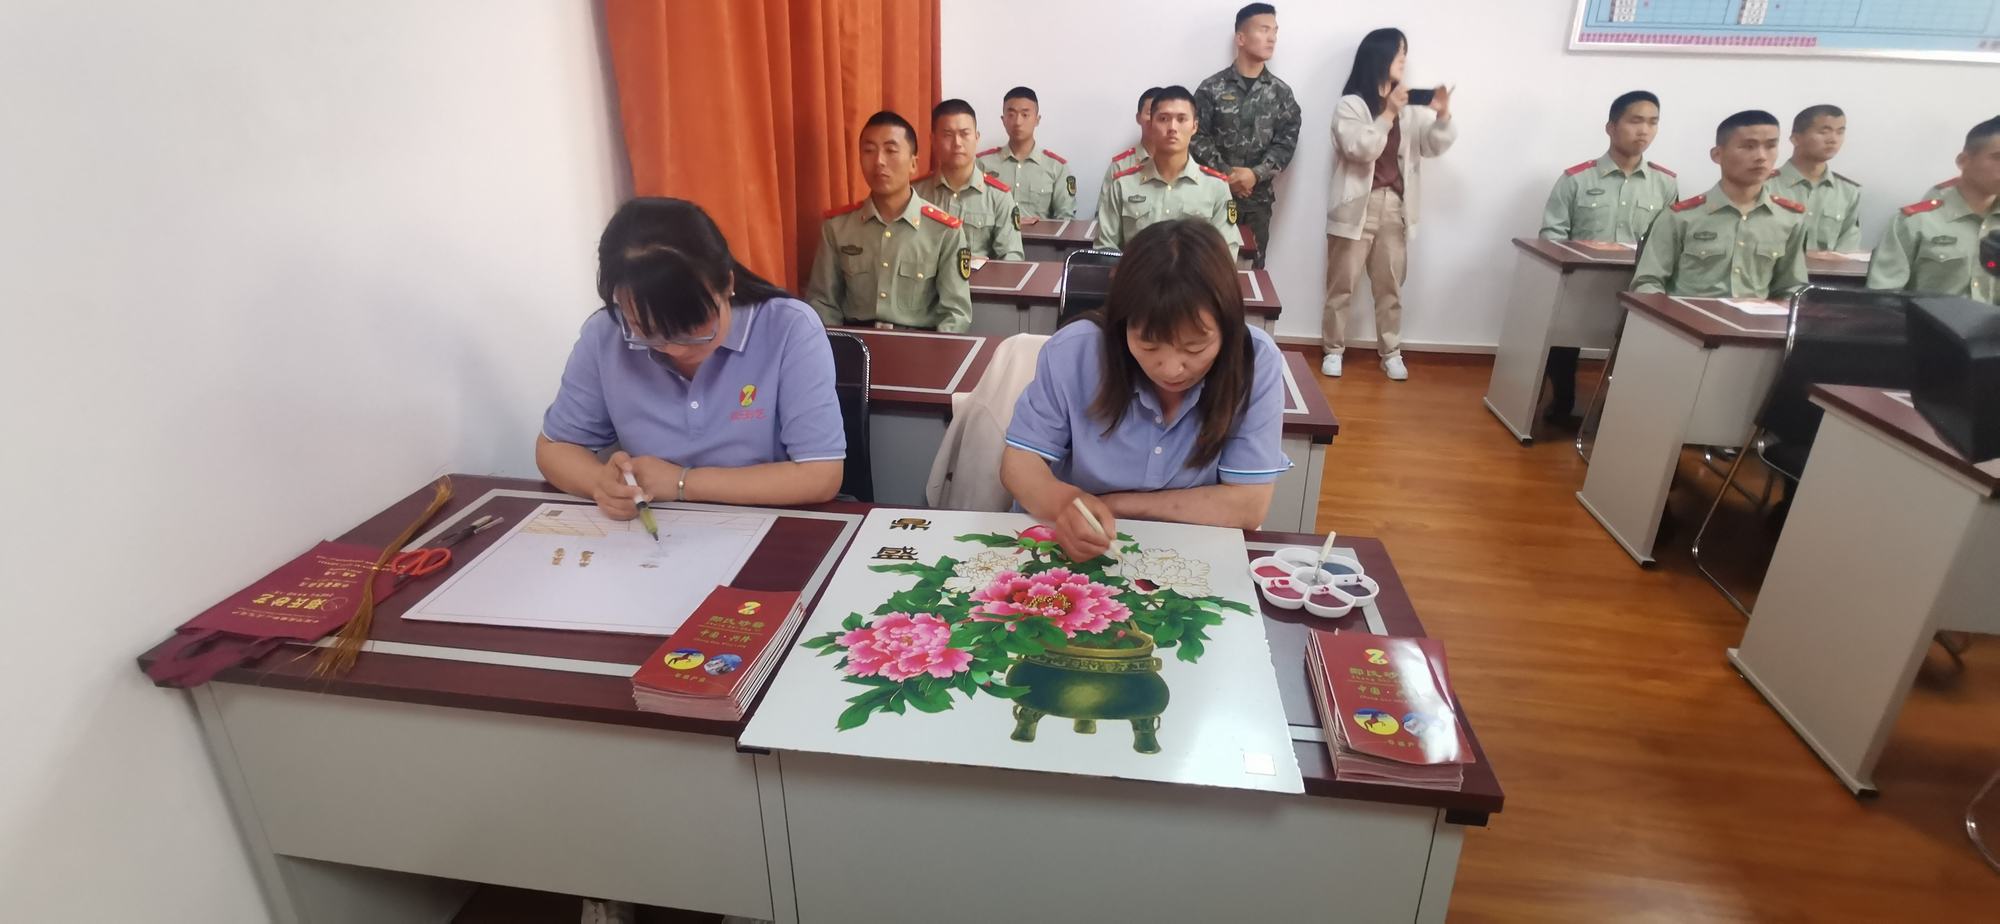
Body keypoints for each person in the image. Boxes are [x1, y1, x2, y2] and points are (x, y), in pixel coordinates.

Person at [1002, 219, 1290, 560]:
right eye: (1149, 346)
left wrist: (1113, 505)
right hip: (1075, 544)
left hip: (1189, 550)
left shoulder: (1255, 361)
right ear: (1122, 321)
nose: (1171, 369)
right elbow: (1019, 463)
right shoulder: (1075, 351)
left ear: (1227, 325)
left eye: (1194, 348)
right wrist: (1064, 504)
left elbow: (1247, 505)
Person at [537, 198, 847, 515]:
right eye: (648, 331)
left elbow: (820, 475)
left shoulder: (788, 328)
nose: (676, 349)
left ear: (726, 284)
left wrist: (682, 483)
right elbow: (555, 447)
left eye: (693, 328)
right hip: (657, 529)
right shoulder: (607, 334)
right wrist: (600, 484)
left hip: (767, 523)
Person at [1321, 27, 1455, 381]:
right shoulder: (1351, 105)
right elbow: (1360, 148)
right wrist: (1387, 114)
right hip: (1355, 207)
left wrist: (1442, 115)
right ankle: (1333, 349)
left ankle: (1391, 352)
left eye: (1404, 53)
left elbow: (1432, 146)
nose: (1404, 60)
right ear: (1379, 56)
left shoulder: (1407, 108)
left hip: (1395, 207)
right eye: (1399, 53)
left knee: (1390, 286)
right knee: (1341, 285)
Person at [1537, 90, 1677, 423]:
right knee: (1562, 335)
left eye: (1652, 123)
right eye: (1635, 121)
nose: (1644, 130)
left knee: (1641, 342)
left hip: (1636, 284)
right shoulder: (1576, 179)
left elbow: (1669, 241)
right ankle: (1562, 401)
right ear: (1611, 128)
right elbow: (1552, 235)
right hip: (1580, 284)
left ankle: (1616, 412)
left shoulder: (1665, 183)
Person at [807, 111, 974, 332]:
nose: (879, 161)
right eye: (869, 151)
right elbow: (823, 303)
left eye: (891, 150)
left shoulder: (944, 231)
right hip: (856, 341)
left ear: (913, 163)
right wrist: (834, 346)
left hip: (918, 344)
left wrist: (935, 350)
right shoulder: (837, 227)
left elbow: (955, 315)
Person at [1631, 110, 1809, 299]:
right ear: (1717, 154)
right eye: (1748, 146)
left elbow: (1791, 288)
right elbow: (1647, 283)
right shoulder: (1681, 217)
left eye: (1771, 146)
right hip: (1688, 316)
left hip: (1756, 317)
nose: (1761, 156)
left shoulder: (1789, 219)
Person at [1192, 3, 1301, 270]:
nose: (1272, 37)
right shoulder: (1211, 88)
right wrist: (1227, 174)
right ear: (1241, 38)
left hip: (1257, 205)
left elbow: (1286, 144)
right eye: (1264, 30)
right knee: (1206, 272)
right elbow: (1196, 137)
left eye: (1275, 31)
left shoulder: (1281, 94)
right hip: (1213, 200)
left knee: (1251, 275)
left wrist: (1255, 174)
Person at [1866, 116, 2000, 306]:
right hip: (1930, 324)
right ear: (1964, 161)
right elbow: (1884, 296)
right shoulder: (1915, 221)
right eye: (1997, 157)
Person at [1095, 86, 1243, 252]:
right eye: (1163, 119)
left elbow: (1226, 252)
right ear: (1151, 124)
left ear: (1194, 126)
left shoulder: (1215, 187)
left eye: (1181, 119)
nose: (1172, 127)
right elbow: (1105, 249)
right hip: (1137, 269)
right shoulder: (1123, 184)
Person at [917, 99, 1025, 261]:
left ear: (976, 137)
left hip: (981, 277)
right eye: (948, 135)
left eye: (964, 134)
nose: (957, 143)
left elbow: (1012, 256)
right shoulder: (916, 193)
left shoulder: (998, 196)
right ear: (933, 140)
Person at [1769, 104, 1862, 253]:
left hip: (1827, 269)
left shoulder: (1848, 192)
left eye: (1840, 132)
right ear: (1796, 139)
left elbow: (1847, 251)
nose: (1833, 139)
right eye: (1824, 132)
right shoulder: (1763, 185)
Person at [978, 87, 1076, 222]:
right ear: (1003, 120)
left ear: (1037, 120)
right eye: (1011, 115)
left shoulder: (1057, 167)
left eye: (1025, 115)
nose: (1018, 122)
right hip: (994, 236)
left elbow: (1066, 219)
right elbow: (973, 210)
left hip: (1039, 236)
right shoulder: (982, 164)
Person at [1103, 87, 1162, 190]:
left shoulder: (1186, 163)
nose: (1155, 120)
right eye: (1150, 113)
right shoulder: (1119, 167)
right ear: (1138, 118)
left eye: (1163, 116)